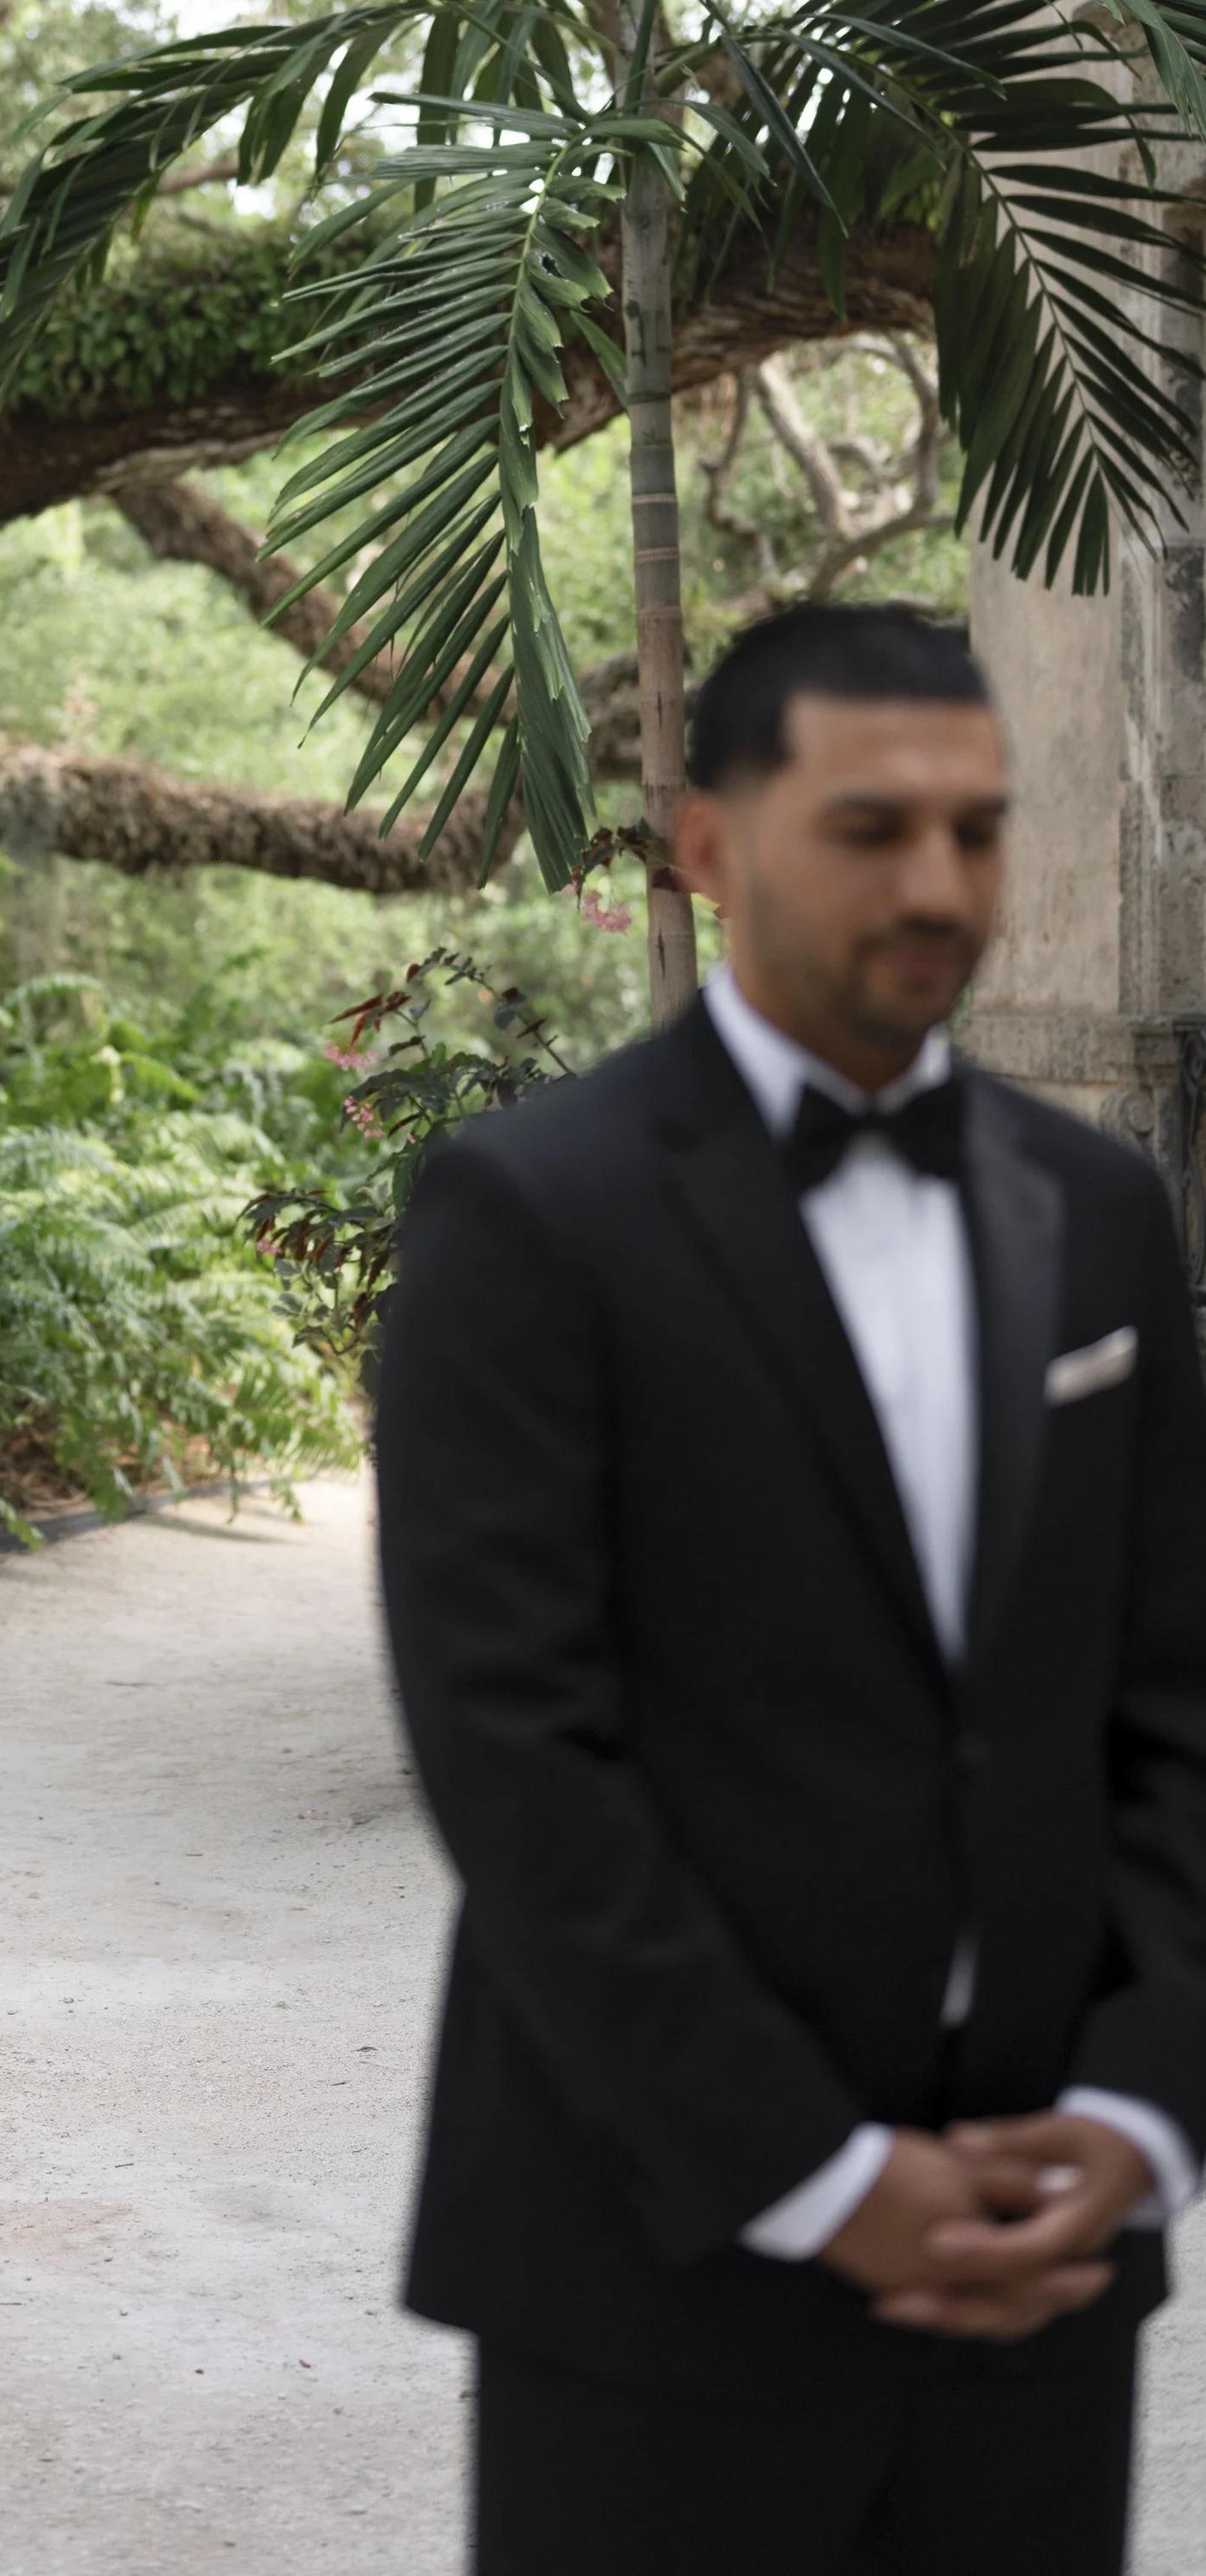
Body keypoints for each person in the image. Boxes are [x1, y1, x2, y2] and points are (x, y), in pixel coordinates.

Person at [376, 605, 1206, 2574]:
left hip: (1043, 2248)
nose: (937, 885)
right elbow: (513, 1755)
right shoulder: (526, 1214)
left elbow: (1169, 1697)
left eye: (977, 829)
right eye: (868, 827)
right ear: (705, 843)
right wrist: (819, 2177)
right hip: (652, 2251)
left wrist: (1133, 2113)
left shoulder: (1098, 1216)